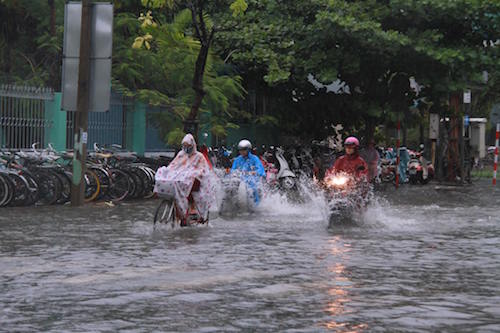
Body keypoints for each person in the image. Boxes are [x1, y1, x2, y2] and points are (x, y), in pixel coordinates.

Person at [154, 134, 214, 226]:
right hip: (181, 180)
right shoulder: (181, 154)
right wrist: (167, 171)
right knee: (175, 186)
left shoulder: (199, 156)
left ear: (193, 145)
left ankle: (192, 209)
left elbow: (203, 169)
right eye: (184, 146)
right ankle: (181, 213)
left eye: (188, 146)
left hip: (195, 181)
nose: (186, 148)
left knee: (189, 187)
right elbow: (173, 165)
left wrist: (194, 173)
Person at [231, 139, 266, 204]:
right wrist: (234, 174)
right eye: (240, 150)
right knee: (230, 186)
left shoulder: (254, 158)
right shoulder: (237, 159)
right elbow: (233, 170)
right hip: (240, 178)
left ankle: (256, 205)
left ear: (248, 150)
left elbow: (260, 170)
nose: (241, 151)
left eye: (244, 149)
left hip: (252, 179)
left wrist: (254, 172)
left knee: (254, 188)